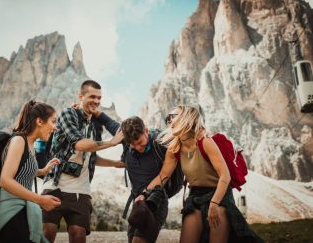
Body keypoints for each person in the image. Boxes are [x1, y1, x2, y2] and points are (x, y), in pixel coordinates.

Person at [146, 105, 263, 243]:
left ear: (186, 117)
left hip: (219, 194)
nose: (169, 121)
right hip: (195, 196)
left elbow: (225, 175)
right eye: (167, 118)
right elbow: (163, 176)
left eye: (172, 116)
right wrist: (143, 194)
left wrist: (214, 203)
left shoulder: (205, 142)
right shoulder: (174, 149)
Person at [41, 80, 124, 243]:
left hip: (81, 190)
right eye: (92, 96)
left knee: (78, 235)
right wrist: (112, 142)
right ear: (80, 96)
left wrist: (114, 163)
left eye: (99, 98)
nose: (97, 101)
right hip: (55, 185)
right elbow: (79, 144)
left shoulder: (96, 125)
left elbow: (91, 156)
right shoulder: (67, 114)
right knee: (46, 234)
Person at [0, 100, 62, 243]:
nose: (55, 127)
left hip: (21, 208)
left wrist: (43, 170)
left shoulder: (30, 144)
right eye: (53, 122)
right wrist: (40, 200)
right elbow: (5, 180)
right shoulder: (19, 141)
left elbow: (20, 172)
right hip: (9, 210)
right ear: (39, 121)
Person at [120, 116, 169, 243]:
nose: (138, 148)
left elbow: (165, 174)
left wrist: (145, 193)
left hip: (156, 200)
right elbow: (106, 121)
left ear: (146, 131)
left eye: (140, 143)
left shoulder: (161, 144)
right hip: (137, 202)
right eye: (133, 145)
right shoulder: (126, 140)